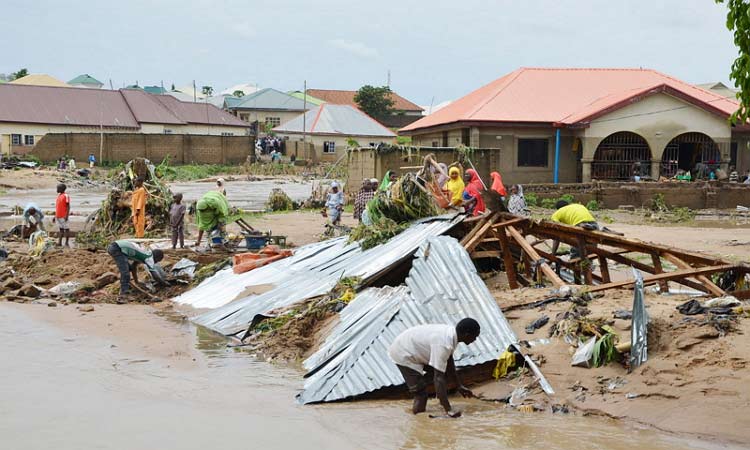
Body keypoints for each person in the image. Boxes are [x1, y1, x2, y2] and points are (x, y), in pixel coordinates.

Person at [388, 318, 480, 417]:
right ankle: (419, 421)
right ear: (467, 334)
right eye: (475, 337)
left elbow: (449, 361)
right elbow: (438, 378)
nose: (475, 340)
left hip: (413, 348)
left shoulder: (451, 335)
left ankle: (437, 397)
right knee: (421, 393)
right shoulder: (444, 343)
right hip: (403, 352)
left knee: (438, 376)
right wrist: (448, 410)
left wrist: (459, 386)